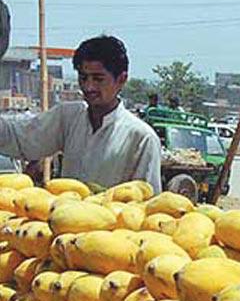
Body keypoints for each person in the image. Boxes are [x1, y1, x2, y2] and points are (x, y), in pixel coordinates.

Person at [0, 35, 162, 192]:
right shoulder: (68, 117)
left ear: (121, 79)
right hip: (65, 210)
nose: (88, 87)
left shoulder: (141, 138)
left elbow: (149, 201)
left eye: (98, 79)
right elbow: (21, 138)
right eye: (83, 78)